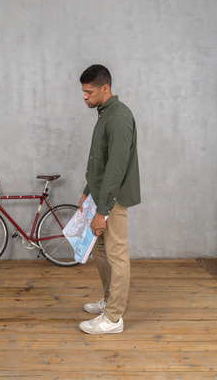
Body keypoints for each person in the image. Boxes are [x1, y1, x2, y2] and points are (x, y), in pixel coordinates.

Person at [78, 64, 141, 334]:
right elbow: (99, 161)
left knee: (116, 254)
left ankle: (113, 318)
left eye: (89, 92)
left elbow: (116, 167)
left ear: (105, 88)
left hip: (112, 199)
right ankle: (108, 300)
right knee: (100, 250)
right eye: (83, 92)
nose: (84, 97)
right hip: (101, 195)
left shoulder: (118, 117)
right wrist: (87, 190)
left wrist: (102, 211)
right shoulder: (105, 113)